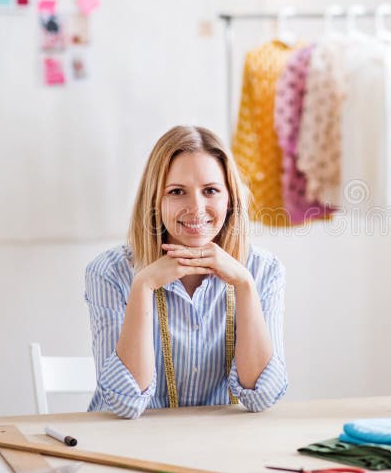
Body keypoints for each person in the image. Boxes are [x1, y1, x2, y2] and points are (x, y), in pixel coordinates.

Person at [85, 125, 288, 419]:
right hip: (127, 445)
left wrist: (244, 285)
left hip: (217, 447)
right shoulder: (110, 273)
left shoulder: (263, 270)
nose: (196, 208)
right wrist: (143, 286)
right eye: (177, 192)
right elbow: (126, 404)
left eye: (211, 191)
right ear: (154, 200)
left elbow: (263, 397)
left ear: (229, 199)